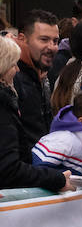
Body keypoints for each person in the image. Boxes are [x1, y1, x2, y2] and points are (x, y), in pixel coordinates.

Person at [0, 36, 71, 193]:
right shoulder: (3, 107)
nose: (17, 69)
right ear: (3, 68)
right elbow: (9, 168)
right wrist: (55, 178)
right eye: (13, 64)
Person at [14, 9, 60, 152]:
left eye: (55, 41)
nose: (51, 47)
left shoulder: (42, 77)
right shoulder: (11, 80)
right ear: (22, 39)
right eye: (44, 40)